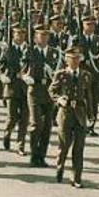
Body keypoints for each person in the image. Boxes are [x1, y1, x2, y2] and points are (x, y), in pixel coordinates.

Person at [49, 47, 94, 188]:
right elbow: (52, 90)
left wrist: (91, 114)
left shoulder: (86, 75)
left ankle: (76, 177)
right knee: (64, 144)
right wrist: (58, 99)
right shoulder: (61, 74)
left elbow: (89, 96)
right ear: (66, 60)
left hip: (80, 113)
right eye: (71, 59)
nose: (74, 62)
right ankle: (60, 166)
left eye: (77, 59)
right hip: (65, 113)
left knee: (79, 148)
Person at [25, 26, 62, 167]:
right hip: (35, 91)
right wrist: (26, 77)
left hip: (50, 92)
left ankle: (42, 155)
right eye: (41, 35)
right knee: (36, 124)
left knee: (47, 126)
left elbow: (59, 71)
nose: (44, 38)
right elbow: (23, 69)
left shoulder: (54, 53)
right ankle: (34, 155)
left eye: (46, 35)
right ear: (35, 37)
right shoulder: (30, 51)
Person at [0, 25, 29, 154]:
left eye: (22, 34)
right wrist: (3, 76)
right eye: (17, 34)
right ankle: (7, 133)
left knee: (25, 118)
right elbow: (0, 67)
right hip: (11, 88)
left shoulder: (30, 50)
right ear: (13, 35)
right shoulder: (8, 50)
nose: (20, 37)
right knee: (12, 117)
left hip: (26, 89)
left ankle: (20, 145)